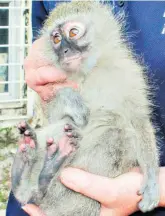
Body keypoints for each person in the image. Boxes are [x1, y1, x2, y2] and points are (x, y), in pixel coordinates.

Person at [6, 1, 165, 216]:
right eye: (56, 39)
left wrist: (154, 184)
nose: (64, 47)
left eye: (74, 32)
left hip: (124, 187)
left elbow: (140, 125)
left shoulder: (124, 70)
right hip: (56, 183)